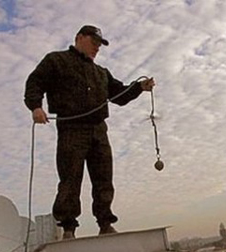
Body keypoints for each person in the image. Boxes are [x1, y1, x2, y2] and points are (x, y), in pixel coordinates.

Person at [24, 25, 155, 239]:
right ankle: (68, 228)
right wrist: (35, 107)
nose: (96, 48)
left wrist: (140, 87)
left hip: (98, 129)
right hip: (71, 129)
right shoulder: (56, 61)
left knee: (104, 177)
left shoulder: (101, 73)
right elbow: (35, 82)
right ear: (79, 38)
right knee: (70, 178)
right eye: (93, 42)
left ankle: (105, 223)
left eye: (99, 45)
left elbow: (119, 94)